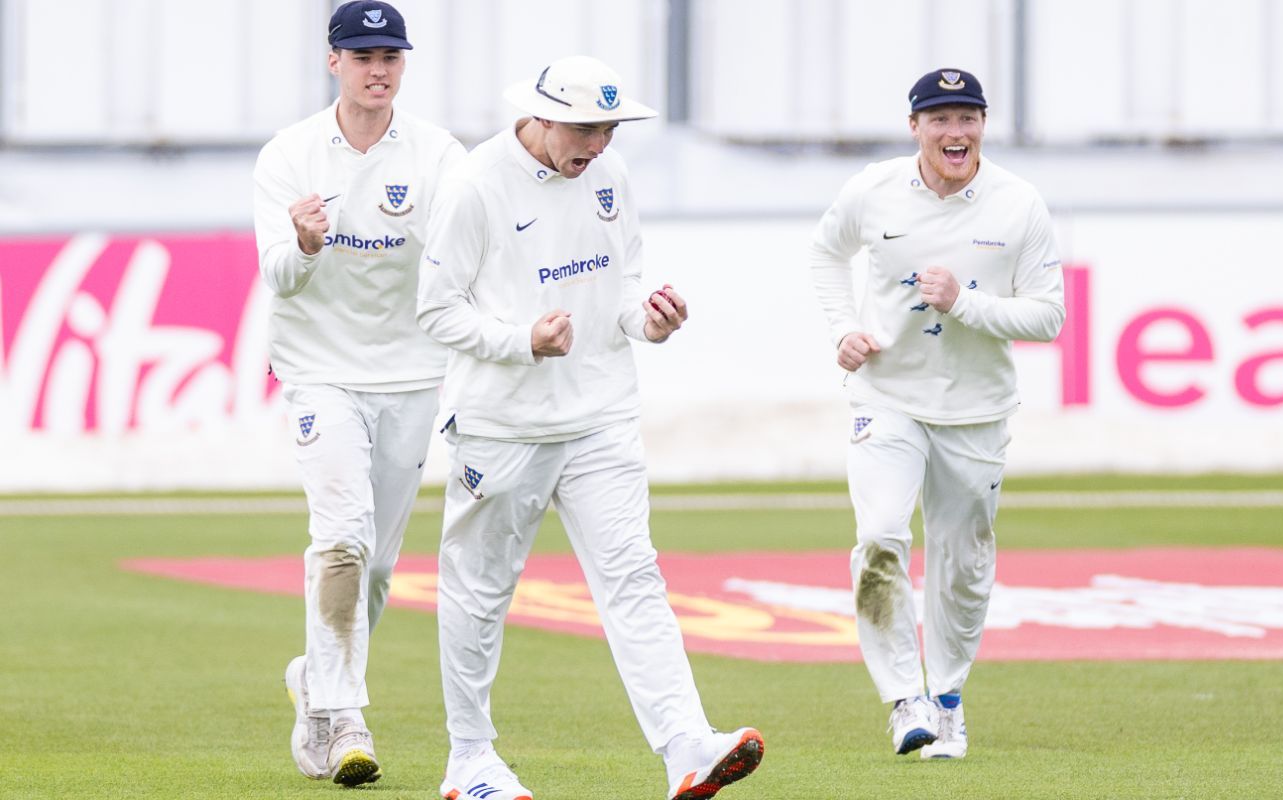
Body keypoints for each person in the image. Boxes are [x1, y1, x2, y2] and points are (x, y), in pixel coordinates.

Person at [415, 55, 762, 800]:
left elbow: (623, 286)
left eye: (608, 127)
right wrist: (522, 341)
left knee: (635, 575)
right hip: (502, 425)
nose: (597, 143)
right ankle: (469, 758)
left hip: (600, 413)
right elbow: (435, 310)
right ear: (539, 117)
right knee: (480, 591)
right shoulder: (476, 185)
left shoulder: (610, 175)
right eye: (583, 128)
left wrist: (651, 322)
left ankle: (685, 747)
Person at [806, 67, 1065, 761]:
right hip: (886, 397)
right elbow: (827, 254)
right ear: (915, 126)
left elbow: (1049, 316)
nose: (956, 132)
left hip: (977, 409)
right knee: (881, 537)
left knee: (963, 563)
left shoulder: (1018, 203)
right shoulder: (873, 189)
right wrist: (842, 330)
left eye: (968, 117)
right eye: (941, 119)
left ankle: (948, 701)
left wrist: (965, 303)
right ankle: (904, 701)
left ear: (983, 123)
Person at [252, 0, 464, 786]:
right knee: (340, 536)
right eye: (363, 56)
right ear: (333, 61)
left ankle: (317, 677)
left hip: (411, 373)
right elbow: (275, 272)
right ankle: (341, 717)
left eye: (392, 57)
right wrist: (305, 243)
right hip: (319, 371)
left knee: (374, 565)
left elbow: (465, 253)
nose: (379, 70)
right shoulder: (290, 154)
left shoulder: (440, 154)